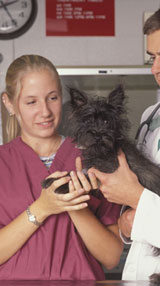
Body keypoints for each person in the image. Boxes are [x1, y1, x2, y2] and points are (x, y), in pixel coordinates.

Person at [89, 0, 160, 281]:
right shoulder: (152, 116)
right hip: (141, 274)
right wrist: (126, 226)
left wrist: (136, 198)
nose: (156, 68)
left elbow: (139, 198)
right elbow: (136, 209)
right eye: (153, 57)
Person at [0, 54, 123, 280]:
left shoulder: (94, 158)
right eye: (31, 102)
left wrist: (74, 205)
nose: (45, 111)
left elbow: (111, 256)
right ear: (9, 103)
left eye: (52, 98)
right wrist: (42, 208)